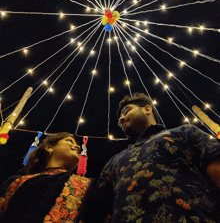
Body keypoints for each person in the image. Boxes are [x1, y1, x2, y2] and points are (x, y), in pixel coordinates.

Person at [82, 92, 220, 223]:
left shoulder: (183, 132)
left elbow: (216, 165)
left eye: (126, 111)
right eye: (119, 119)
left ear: (147, 109)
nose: (121, 119)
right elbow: (98, 206)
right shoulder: (115, 161)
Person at [0, 132, 92, 223]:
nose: (78, 147)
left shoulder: (88, 185)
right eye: (70, 141)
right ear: (49, 147)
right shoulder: (16, 182)